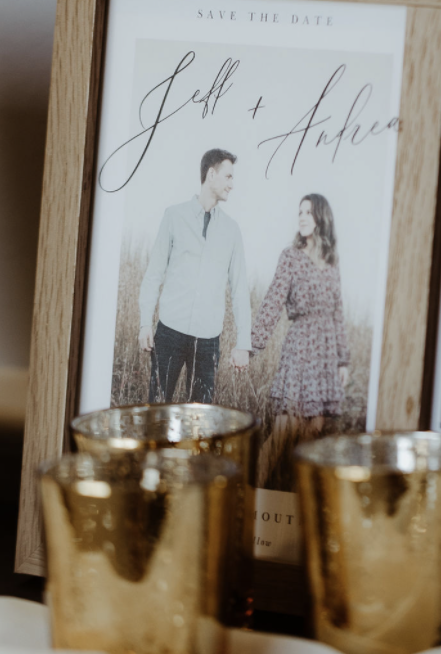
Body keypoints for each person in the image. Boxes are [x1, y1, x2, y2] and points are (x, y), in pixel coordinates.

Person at [248, 193, 351, 491]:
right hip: (301, 347)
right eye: (300, 212)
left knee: (314, 430)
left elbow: (337, 312)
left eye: (309, 212)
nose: (302, 217)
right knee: (285, 429)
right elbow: (273, 300)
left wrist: (342, 360)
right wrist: (253, 343)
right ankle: (248, 494)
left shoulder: (332, 262)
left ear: (322, 218)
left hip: (325, 354)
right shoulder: (290, 256)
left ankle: (295, 500)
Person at [138, 148, 251, 404]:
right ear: (211, 175)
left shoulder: (232, 231)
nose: (232, 184)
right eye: (228, 176)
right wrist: (145, 322)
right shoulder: (174, 216)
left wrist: (243, 342)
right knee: (157, 408)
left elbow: (240, 290)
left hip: (208, 341)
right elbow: (154, 273)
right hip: (169, 331)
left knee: (200, 420)